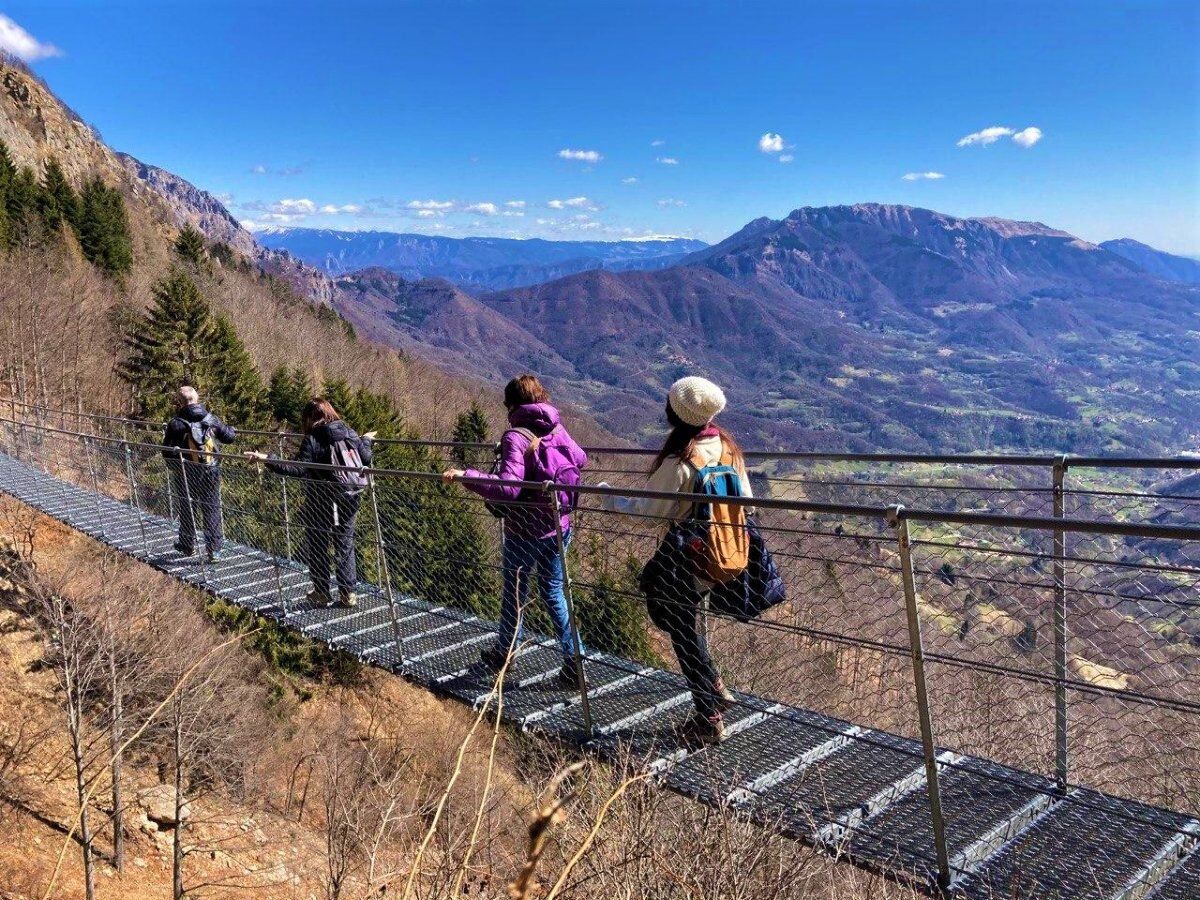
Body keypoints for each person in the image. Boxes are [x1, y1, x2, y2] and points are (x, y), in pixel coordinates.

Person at [598, 376, 752, 744]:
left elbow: (647, 512)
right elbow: (746, 500)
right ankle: (713, 687)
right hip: (725, 551)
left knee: (677, 623)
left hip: (689, 557)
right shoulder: (728, 449)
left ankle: (709, 715)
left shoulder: (681, 461)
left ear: (677, 413)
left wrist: (607, 496)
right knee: (681, 620)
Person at [442, 375, 588, 685]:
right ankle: (575, 662)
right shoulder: (556, 427)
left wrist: (465, 475)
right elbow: (581, 459)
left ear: (511, 404)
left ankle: (506, 654)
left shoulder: (515, 436)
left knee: (514, 594)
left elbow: (508, 488)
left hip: (525, 531)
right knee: (554, 594)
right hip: (559, 526)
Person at [245, 398, 374, 608]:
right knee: (345, 542)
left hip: (320, 498)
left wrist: (268, 458)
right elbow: (365, 458)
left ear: (309, 418)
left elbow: (298, 468)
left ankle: (322, 592)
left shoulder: (313, 438)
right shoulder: (348, 432)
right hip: (349, 495)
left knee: (318, 543)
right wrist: (366, 439)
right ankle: (348, 592)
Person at [162, 386, 236, 562]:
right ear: (197, 399)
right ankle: (214, 550)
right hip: (211, 472)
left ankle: (187, 544)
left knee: (187, 506)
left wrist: (175, 466)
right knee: (211, 508)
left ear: (180, 403)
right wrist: (231, 429)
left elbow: (166, 451)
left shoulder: (175, 424)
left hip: (186, 473)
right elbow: (229, 437)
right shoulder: (211, 419)